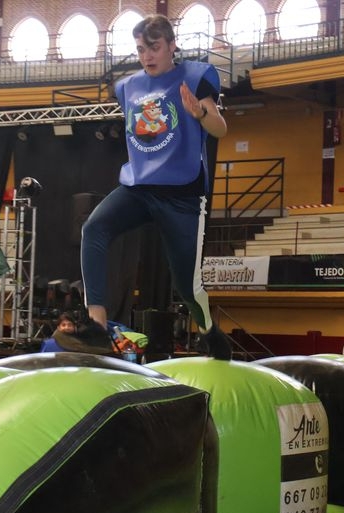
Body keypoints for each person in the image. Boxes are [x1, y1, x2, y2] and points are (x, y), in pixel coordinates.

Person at [80, 14, 230, 360]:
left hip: (182, 194)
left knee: (187, 286)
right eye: (140, 49)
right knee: (93, 229)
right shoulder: (127, 87)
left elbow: (221, 128)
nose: (147, 56)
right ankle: (97, 325)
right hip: (140, 186)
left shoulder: (195, 77)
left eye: (154, 48)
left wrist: (200, 113)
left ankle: (208, 329)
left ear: (172, 45)